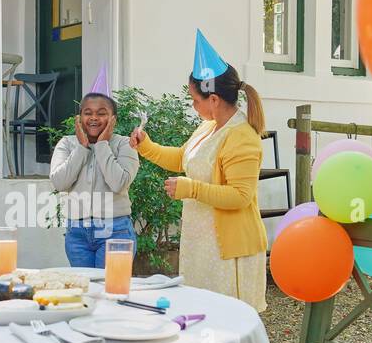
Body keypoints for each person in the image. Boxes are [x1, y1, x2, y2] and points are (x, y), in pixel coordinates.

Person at [131, 38, 268, 312]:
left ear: (214, 99)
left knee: (225, 323)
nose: (193, 106)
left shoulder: (242, 137)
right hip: (202, 245)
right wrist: (146, 145)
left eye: (195, 100)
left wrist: (191, 189)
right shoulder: (209, 127)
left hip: (229, 252)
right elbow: (183, 158)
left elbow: (241, 197)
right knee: (201, 319)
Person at [49, 90, 140, 268]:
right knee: (85, 291)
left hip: (116, 231)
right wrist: (82, 148)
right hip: (77, 234)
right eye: (88, 113)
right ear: (79, 117)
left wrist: (101, 145)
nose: (94, 118)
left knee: (110, 289)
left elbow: (118, 183)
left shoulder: (124, 144)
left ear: (113, 118)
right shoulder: (67, 144)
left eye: (102, 113)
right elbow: (59, 182)